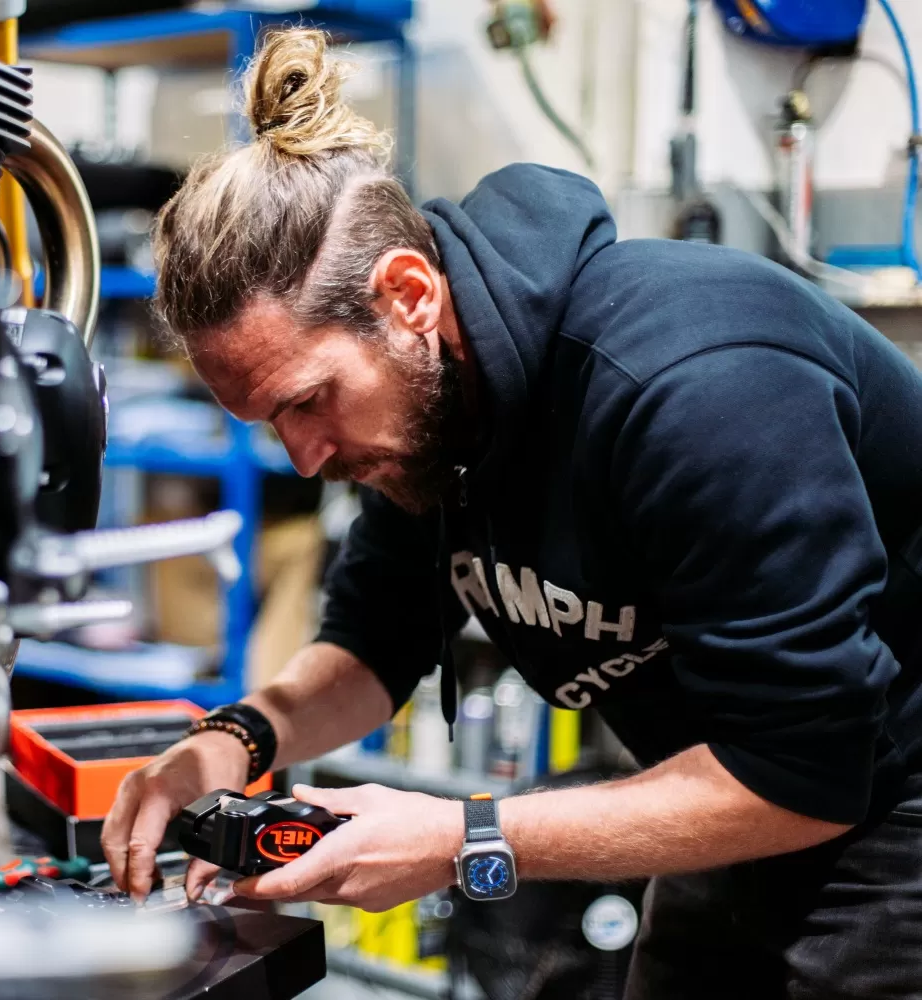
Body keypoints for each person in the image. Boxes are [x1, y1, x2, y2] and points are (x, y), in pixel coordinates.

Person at [100, 27, 922, 999]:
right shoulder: (437, 413)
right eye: (268, 421)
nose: (305, 455)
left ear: (407, 294)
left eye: (308, 400)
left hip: (885, 800)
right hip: (736, 791)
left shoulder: (695, 388)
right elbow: (372, 643)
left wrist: (463, 836)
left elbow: (809, 768)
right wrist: (230, 741)